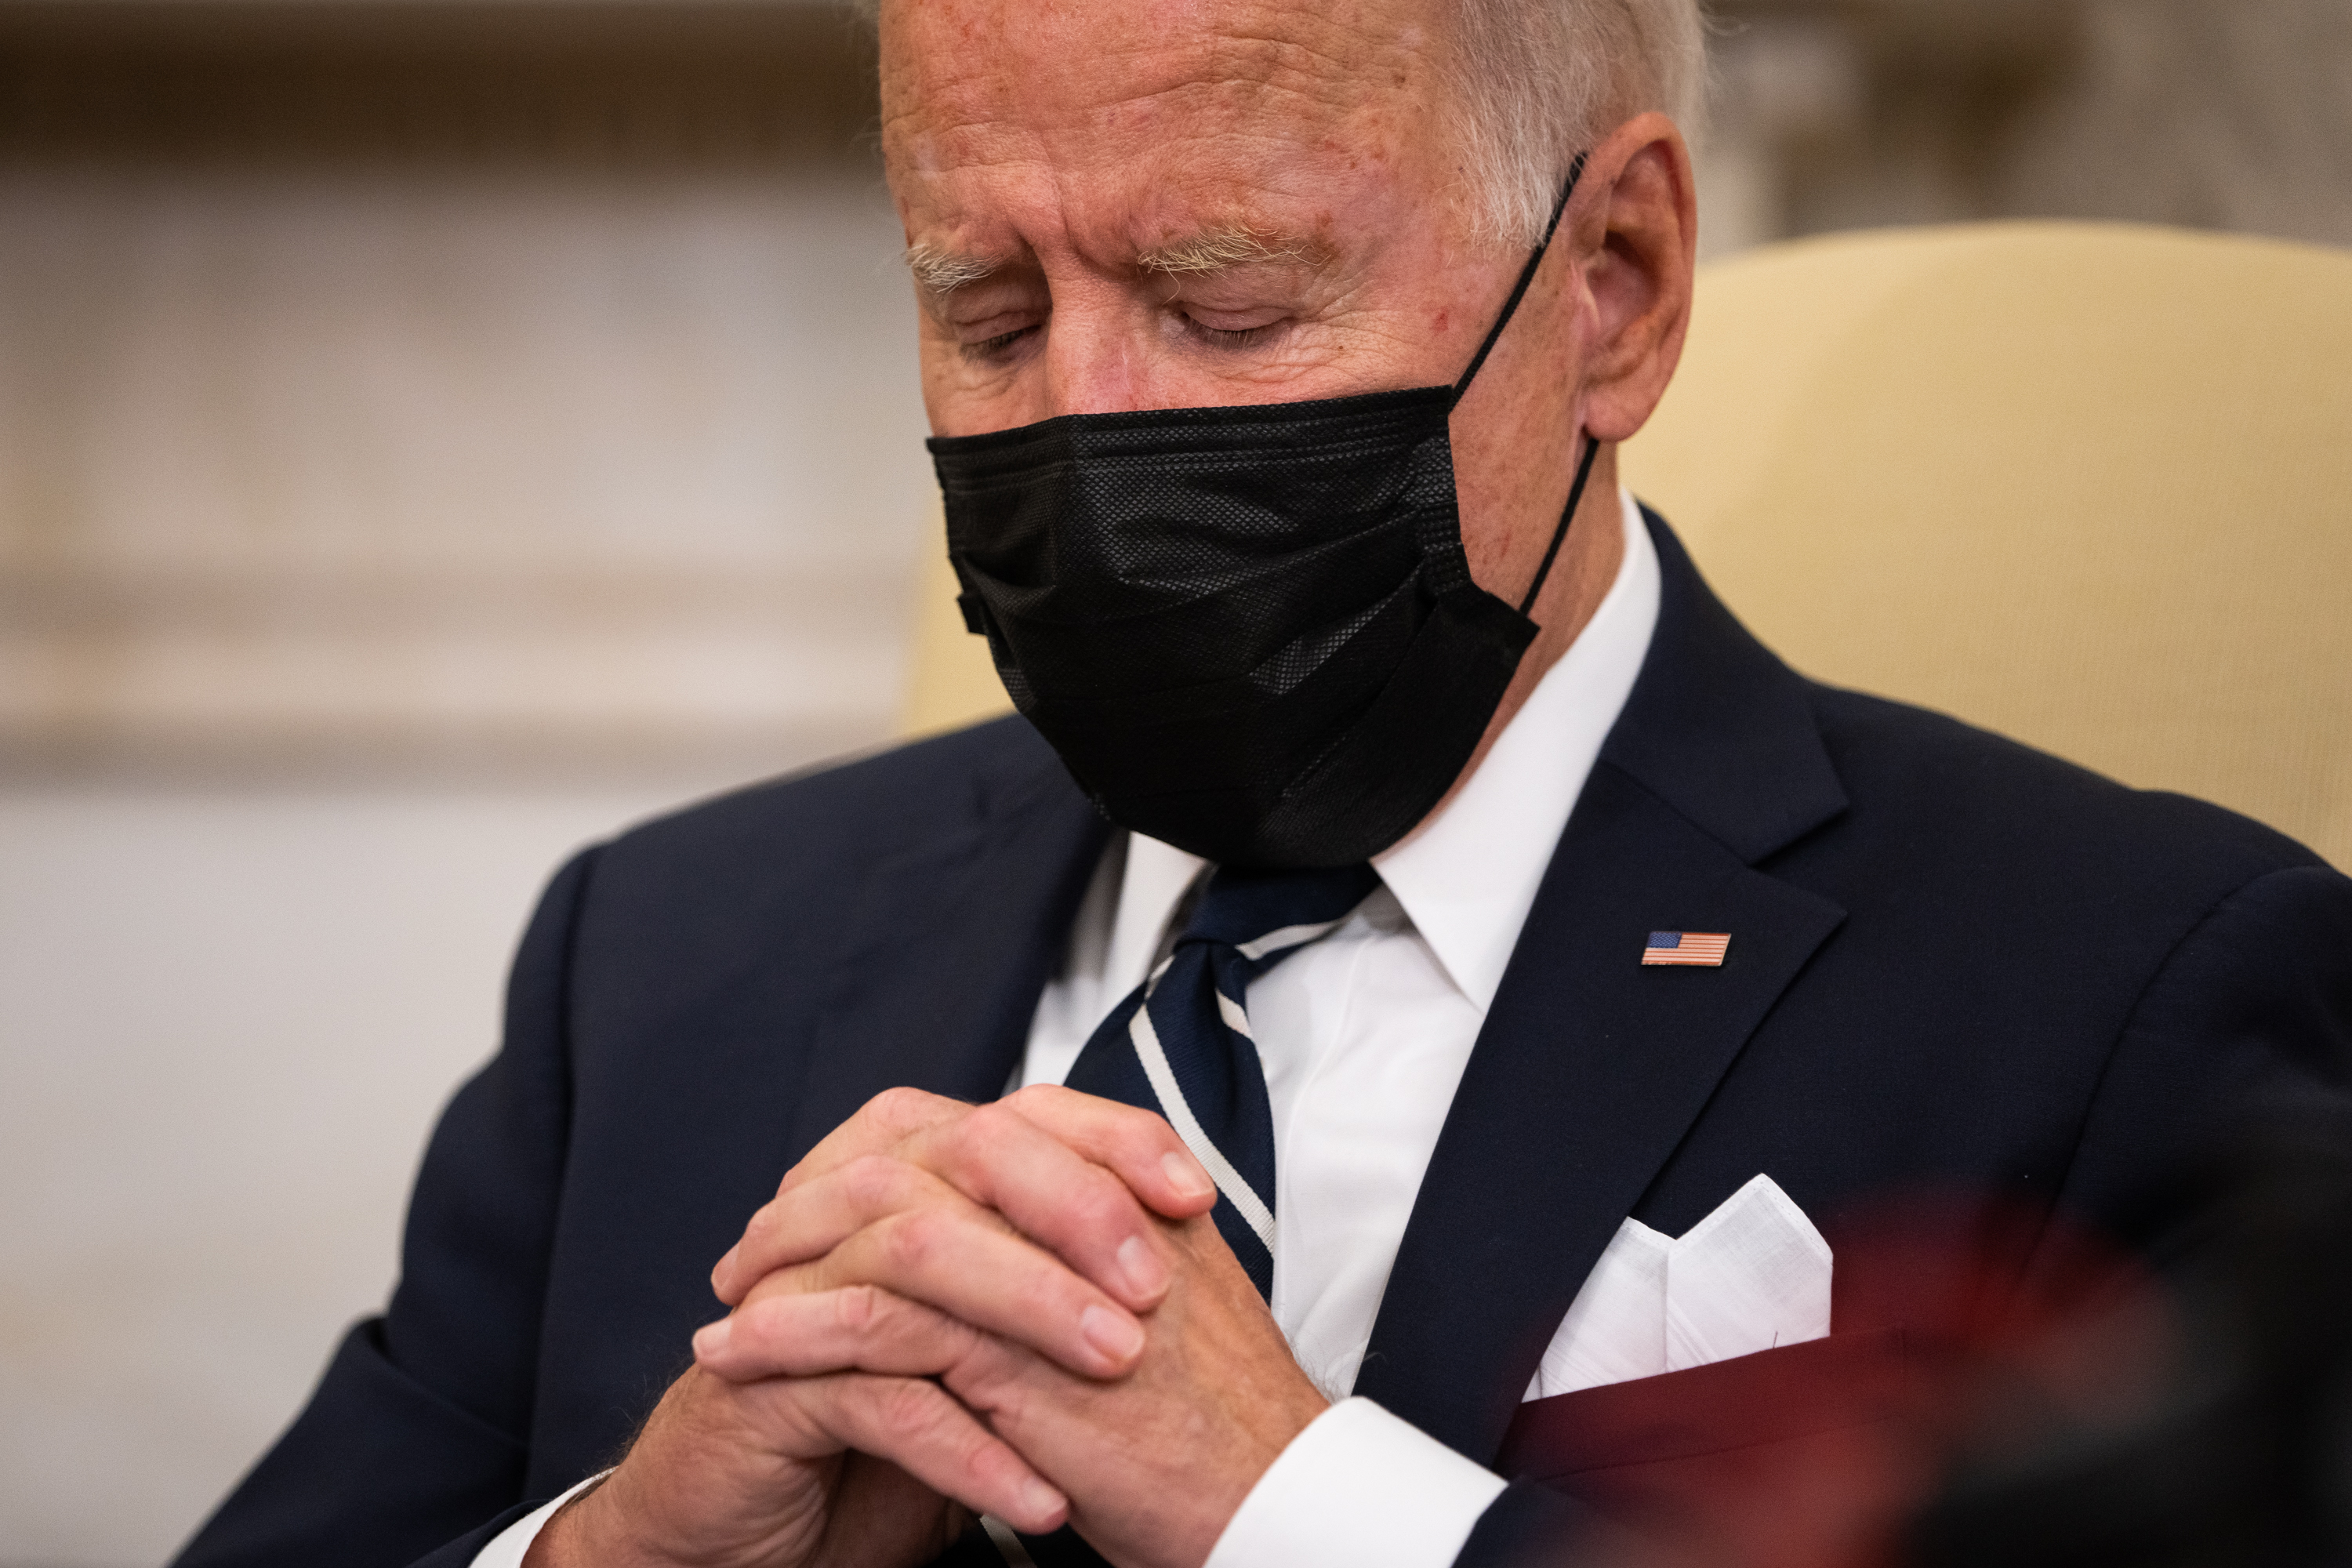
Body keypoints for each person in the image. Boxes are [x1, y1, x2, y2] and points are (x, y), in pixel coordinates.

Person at [173, 0, 2352, 1566]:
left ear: (1613, 290)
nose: (1095, 435)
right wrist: (617, 1565)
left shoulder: (2132, 994)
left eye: (1223, 307)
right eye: (991, 309)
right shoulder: (657, 964)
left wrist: (1299, 1511)